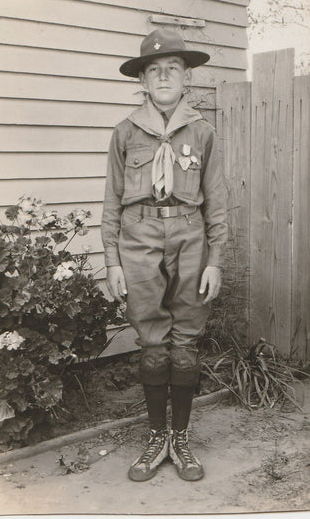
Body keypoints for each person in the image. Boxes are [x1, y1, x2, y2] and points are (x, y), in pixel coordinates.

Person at [101, 28, 228, 482]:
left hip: (191, 235)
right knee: (153, 340)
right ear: (142, 80)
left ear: (186, 75)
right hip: (138, 236)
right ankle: (156, 436)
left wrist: (214, 259)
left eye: (172, 68)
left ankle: (182, 437)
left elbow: (215, 198)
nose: (163, 76)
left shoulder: (202, 131)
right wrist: (113, 261)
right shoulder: (125, 132)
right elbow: (112, 202)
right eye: (153, 69)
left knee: (186, 338)